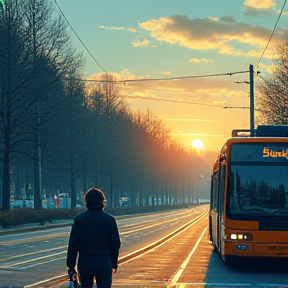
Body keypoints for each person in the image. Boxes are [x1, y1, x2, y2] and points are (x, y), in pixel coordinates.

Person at [66, 188, 121, 288]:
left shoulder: (80, 219)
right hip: (104, 262)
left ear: (86, 202)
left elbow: (73, 244)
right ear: (102, 201)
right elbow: (115, 244)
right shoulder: (109, 220)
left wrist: (71, 266)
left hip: (85, 262)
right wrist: (113, 263)